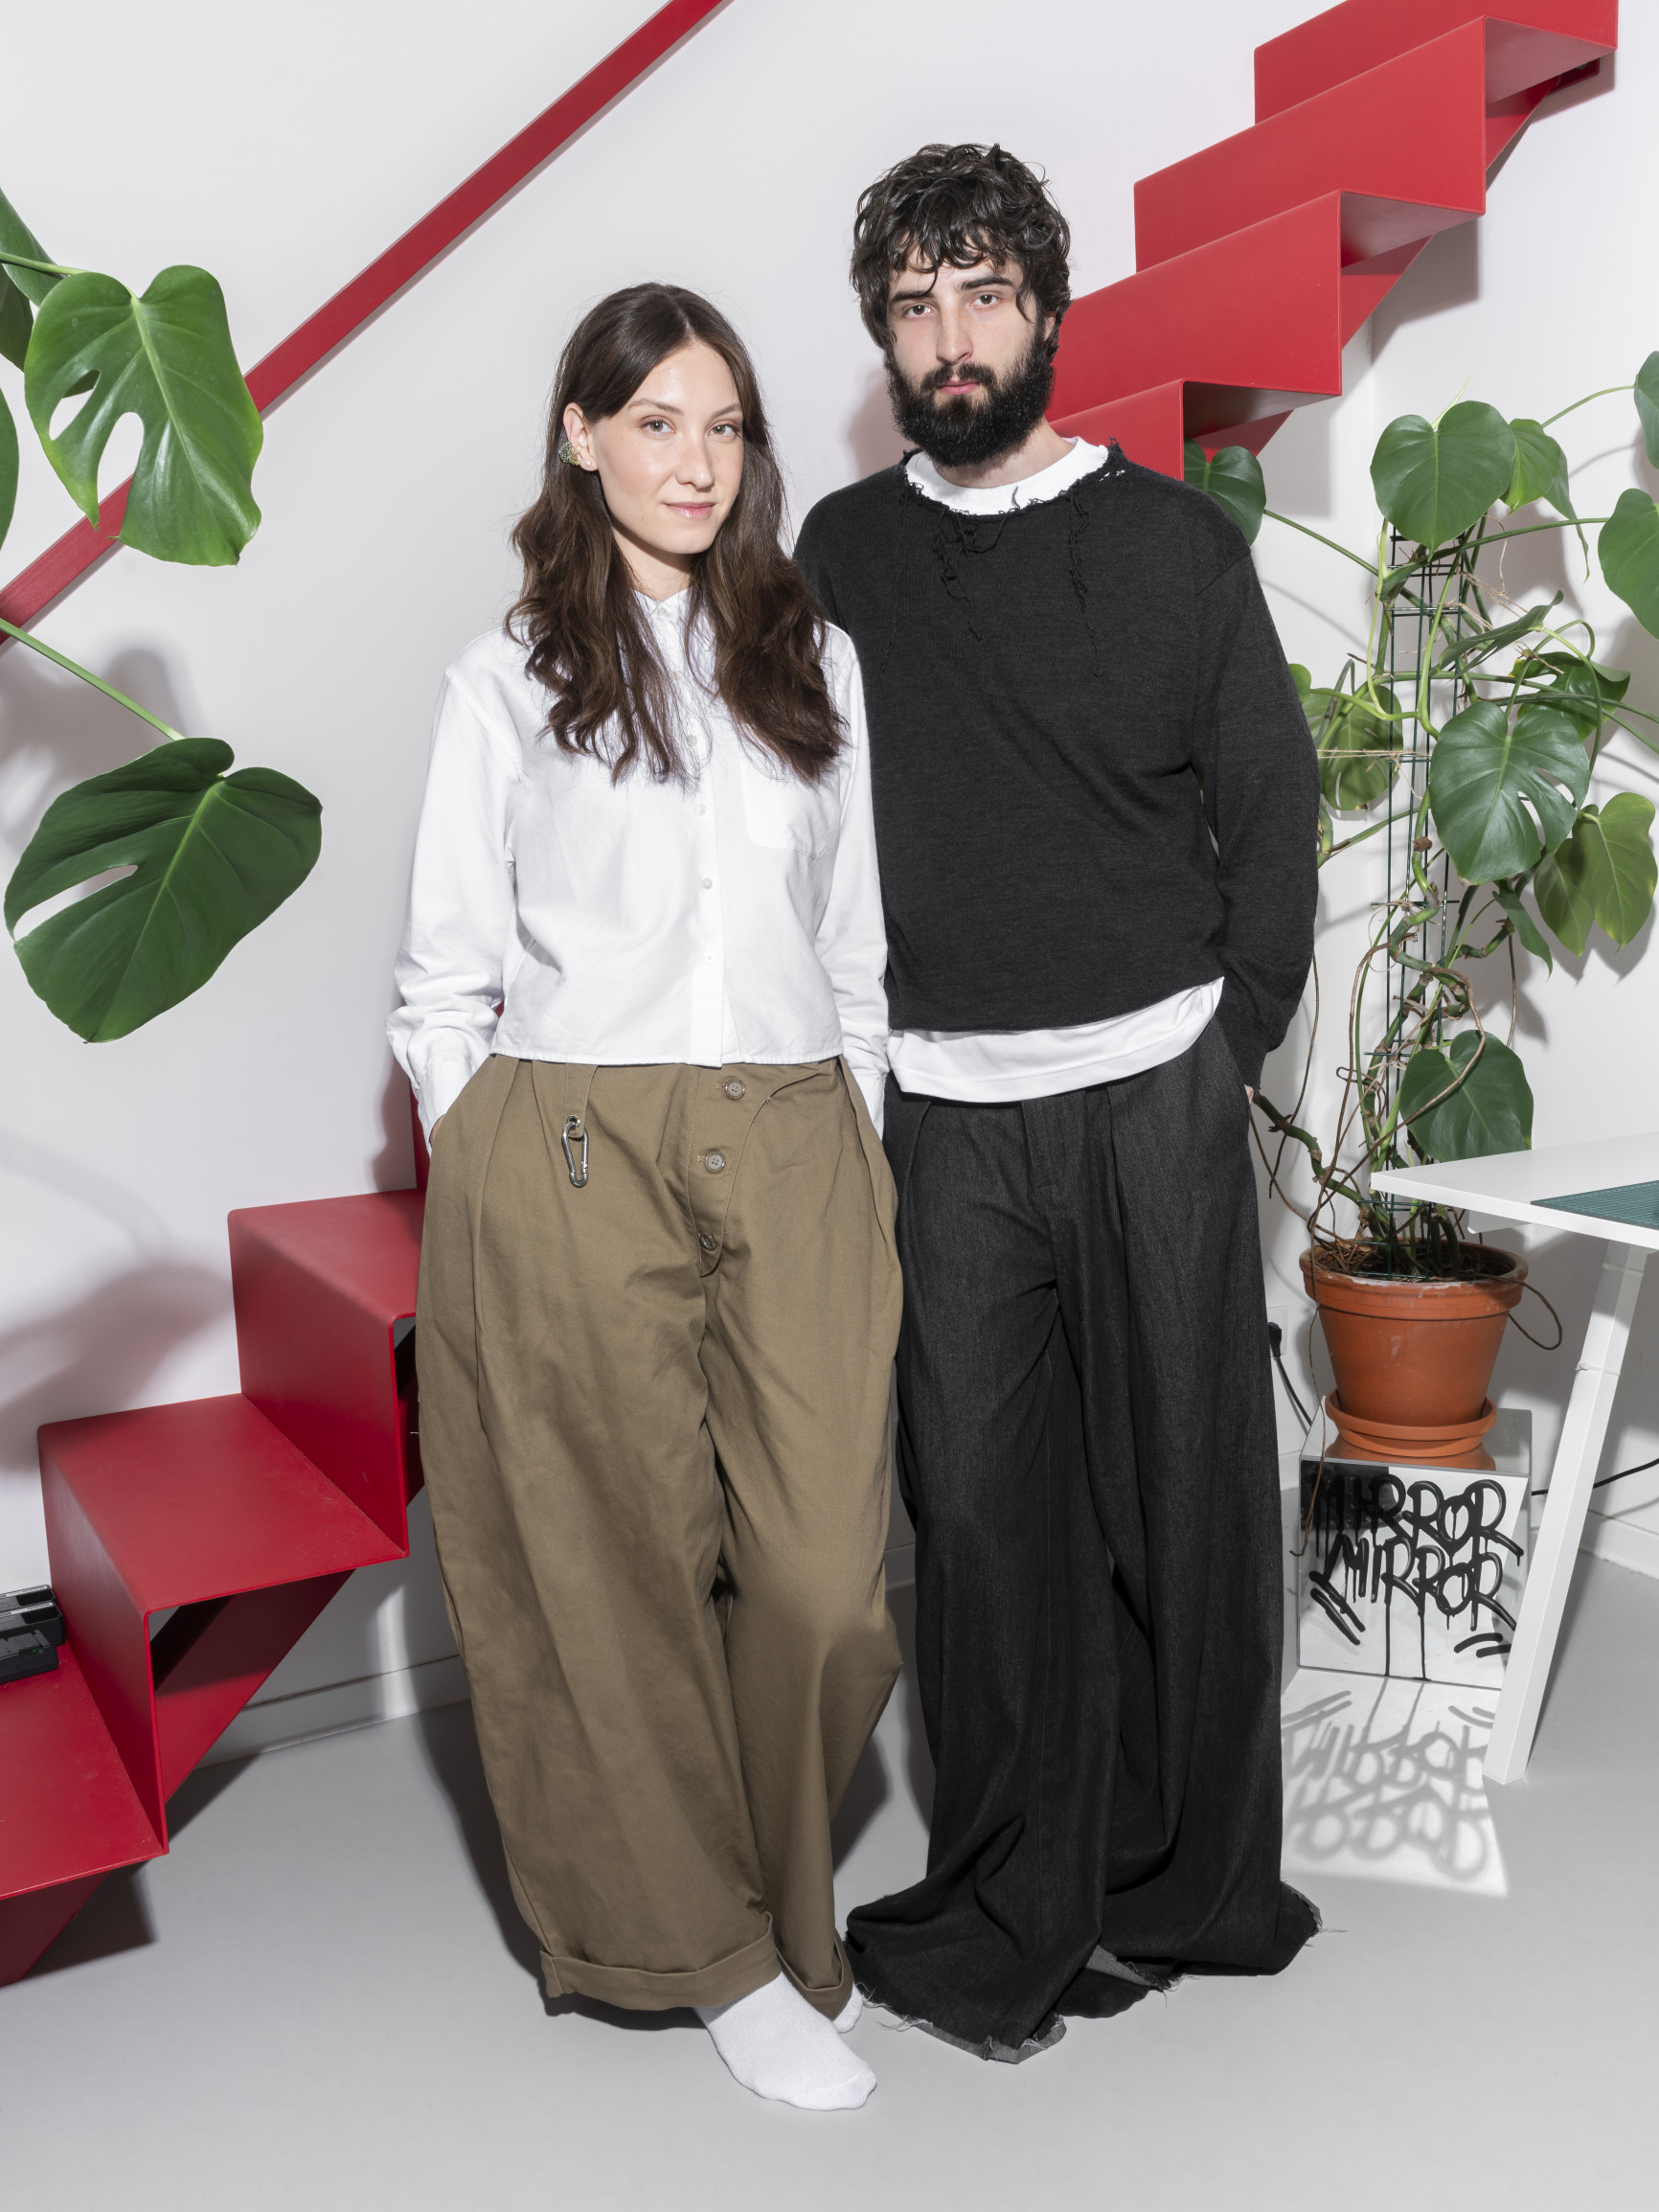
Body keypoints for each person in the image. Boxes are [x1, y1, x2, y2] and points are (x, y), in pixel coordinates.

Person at [793, 144, 1321, 2062]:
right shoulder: (843, 555)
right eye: (913, 305)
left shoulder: (1176, 547)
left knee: (1183, 1504)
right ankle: (1019, 1876)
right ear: (886, 338)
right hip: (944, 1113)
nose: (949, 335)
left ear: (1046, 312)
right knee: (981, 1522)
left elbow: (1270, 814)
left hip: (1152, 1089)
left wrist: (1222, 1044)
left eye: (982, 294)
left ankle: (1182, 1883)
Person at [390, 284, 901, 2111]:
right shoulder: (506, 676)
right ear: (582, 435)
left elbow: (855, 945)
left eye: (725, 425)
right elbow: (444, 977)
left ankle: (775, 1900)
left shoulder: (816, 662)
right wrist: (492, 1150)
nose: (696, 461)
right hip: (573, 1145)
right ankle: (718, 1959)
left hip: (800, 1127)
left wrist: (859, 1121)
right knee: (614, 1578)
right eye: (658, 422)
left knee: (827, 1585)